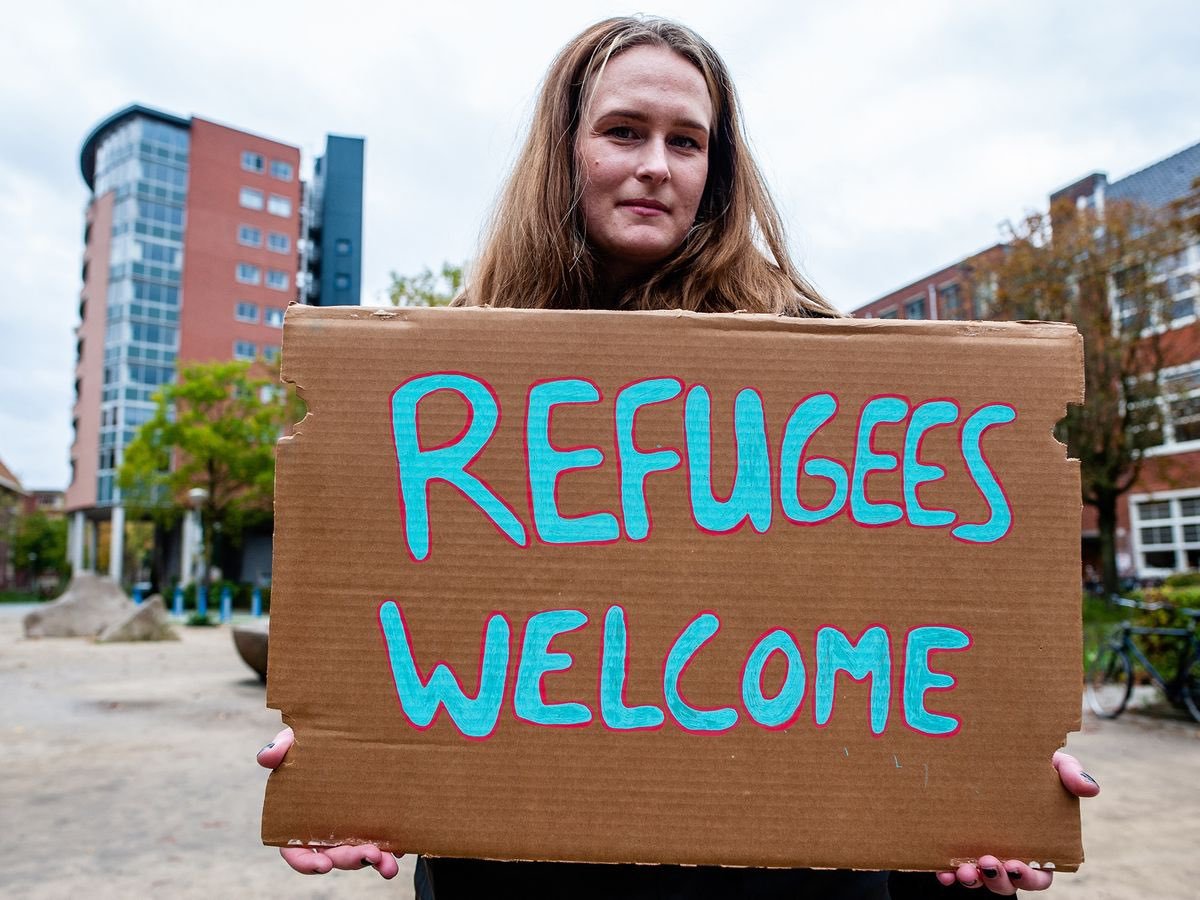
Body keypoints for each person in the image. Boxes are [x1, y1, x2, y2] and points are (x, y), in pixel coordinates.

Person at [257, 15, 1099, 898]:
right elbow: (387, 609)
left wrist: (985, 792)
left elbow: (916, 627)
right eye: (624, 131)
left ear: (715, 171)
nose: (656, 163)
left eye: (686, 141)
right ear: (563, 151)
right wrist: (338, 750)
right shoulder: (445, 383)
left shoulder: (823, 367)